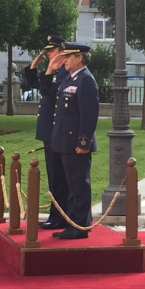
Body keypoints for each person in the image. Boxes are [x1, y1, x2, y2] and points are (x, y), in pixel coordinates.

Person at [42, 42, 99, 240]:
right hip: (63, 143)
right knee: (69, 185)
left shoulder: (85, 80)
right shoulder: (69, 79)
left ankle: (79, 226)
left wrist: (83, 143)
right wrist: (50, 69)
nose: (64, 59)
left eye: (68, 56)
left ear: (79, 58)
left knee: (78, 185)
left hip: (76, 144)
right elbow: (48, 90)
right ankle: (71, 223)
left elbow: (89, 116)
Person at [24, 35, 69, 230]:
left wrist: (49, 70)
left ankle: (60, 217)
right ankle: (55, 215)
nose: (48, 53)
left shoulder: (64, 73)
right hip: (49, 131)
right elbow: (36, 85)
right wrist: (34, 67)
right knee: (54, 177)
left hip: (57, 131)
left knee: (59, 177)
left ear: (61, 51)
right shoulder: (55, 73)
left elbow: (48, 91)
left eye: (51, 51)